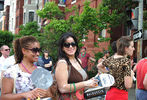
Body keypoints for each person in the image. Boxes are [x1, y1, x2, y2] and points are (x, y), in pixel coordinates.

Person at [55, 32, 98, 99]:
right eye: (67, 45)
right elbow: (62, 88)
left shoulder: (78, 61)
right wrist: (85, 83)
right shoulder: (62, 63)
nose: (71, 47)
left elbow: (79, 84)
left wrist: (90, 83)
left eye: (73, 44)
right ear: (62, 48)